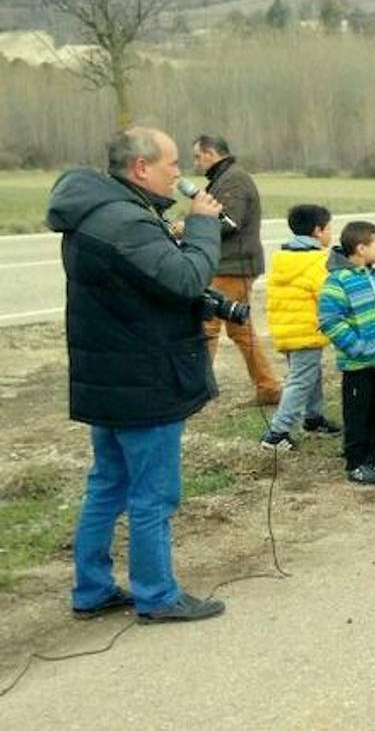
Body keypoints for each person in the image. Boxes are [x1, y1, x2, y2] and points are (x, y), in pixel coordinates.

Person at [49, 127, 228, 623]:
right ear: (141, 168)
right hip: (144, 379)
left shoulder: (98, 211)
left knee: (108, 484)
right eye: (172, 164)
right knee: (153, 495)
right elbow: (187, 279)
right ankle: (157, 596)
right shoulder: (125, 222)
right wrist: (203, 227)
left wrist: (171, 238)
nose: (179, 173)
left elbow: (141, 282)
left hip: (110, 374)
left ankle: (92, 589)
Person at [318, 221, 375, 485]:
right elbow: (330, 321)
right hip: (358, 365)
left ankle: (374, 457)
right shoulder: (338, 281)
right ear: (361, 248)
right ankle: (356, 462)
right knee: (358, 415)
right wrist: (356, 347)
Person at [192, 134, 279, 405]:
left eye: (198, 156)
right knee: (240, 329)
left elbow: (230, 222)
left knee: (208, 325)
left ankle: (196, 390)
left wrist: (193, 226)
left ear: (211, 153)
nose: (196, 163)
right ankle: (268, 388)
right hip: (230, 264)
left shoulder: (234, 180)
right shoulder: (225, 178)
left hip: (232, 265)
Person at [261, 204, 343, 451]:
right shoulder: (317, 261)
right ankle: (277, 433)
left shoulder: (283, 258)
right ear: (318, 231)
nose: (330, 233)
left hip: (286, 328)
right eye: (329, 228)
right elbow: (327, 296)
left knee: (310, 374)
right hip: (306, 330)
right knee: (300, 380)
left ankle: (314, 417)